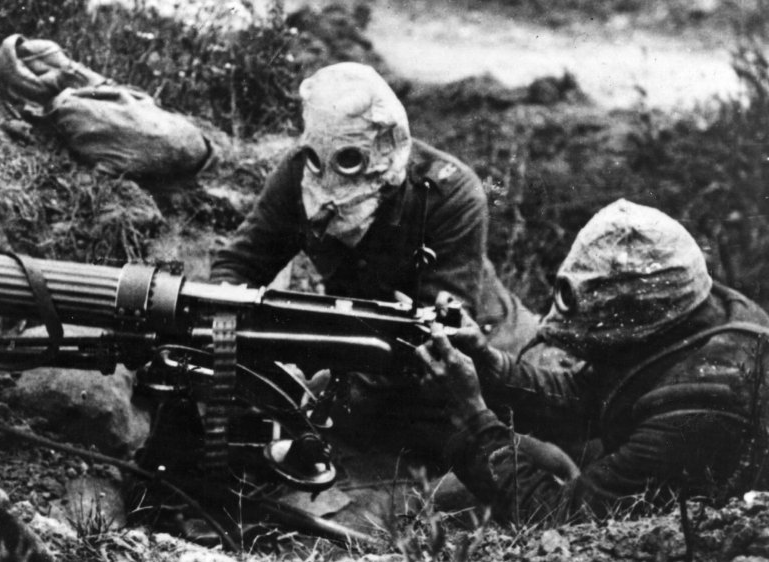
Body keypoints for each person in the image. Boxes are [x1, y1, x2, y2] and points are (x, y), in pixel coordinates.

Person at [418, 199, 769, 525]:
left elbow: (561, 518)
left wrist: (473, 416)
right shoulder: (691, 311)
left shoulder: (702, 407)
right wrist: (491, 367)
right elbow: (586, 395)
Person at [209, 61, 538, 356]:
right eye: (317, 155)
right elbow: (241, 264)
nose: (329, 178)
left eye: (350, 158)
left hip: (486, 349)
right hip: (365, 339)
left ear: (386, 148)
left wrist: (330, 374)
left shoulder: (450, 195)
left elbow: (442, 337)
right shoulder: (299, 172)